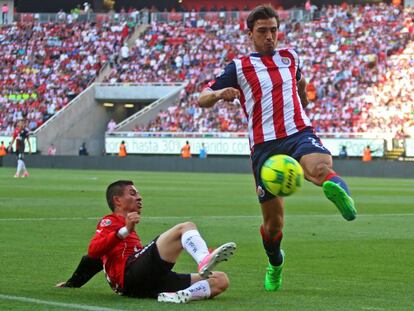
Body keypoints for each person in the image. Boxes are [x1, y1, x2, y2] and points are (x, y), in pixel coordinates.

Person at [198, 5, 356, 292]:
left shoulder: (291, 57)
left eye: (274, 30)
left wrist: (303, 100)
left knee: (320, 168)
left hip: (298, 131)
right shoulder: (239, 66)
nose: (270, 36)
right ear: (250, 34)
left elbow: (300, 82)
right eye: (263, 31)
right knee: (273, 226)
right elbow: (202, 97)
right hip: (264, 147)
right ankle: (275, 262)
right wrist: (220, 93)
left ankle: (341, 194)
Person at [56, 180, 236, 304]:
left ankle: (180, 296)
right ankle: (204, 258)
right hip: (130, 278)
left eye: (138, 194)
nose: (139, 197)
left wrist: (72, 283)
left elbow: (93, 261)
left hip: (149, 283)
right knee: (185, 227)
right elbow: (94, 251)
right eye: (133, 193)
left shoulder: (128, 227)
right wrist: (125, 230)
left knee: (221, 280)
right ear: (117, 200)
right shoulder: (110, 221)